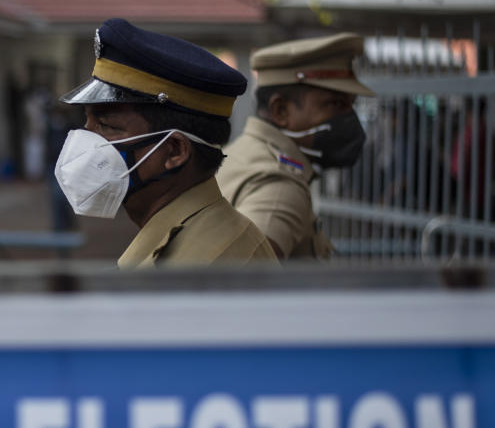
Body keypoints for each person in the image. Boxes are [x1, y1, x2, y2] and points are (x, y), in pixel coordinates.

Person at [55, 18, 277, 267]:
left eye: (106, 126)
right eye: (88, 122)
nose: (87, 138)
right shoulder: (182, 240)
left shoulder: (212, 264)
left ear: (174, 151)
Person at [216, 33, 375, 259]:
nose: (349, 117)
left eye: (351, 105)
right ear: (281, 111)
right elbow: (244, 284)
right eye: (336, 104)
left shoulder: (242, 151)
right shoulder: (280, 187)